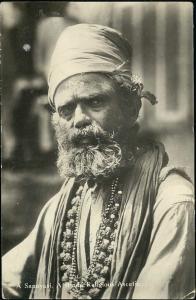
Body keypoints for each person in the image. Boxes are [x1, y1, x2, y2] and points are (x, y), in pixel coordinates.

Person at [2, 24, 194, 300]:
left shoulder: (172, 203)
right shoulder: (62, 205)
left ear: (131, 107)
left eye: (94, 102)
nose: (79, 119)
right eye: (67, 109)